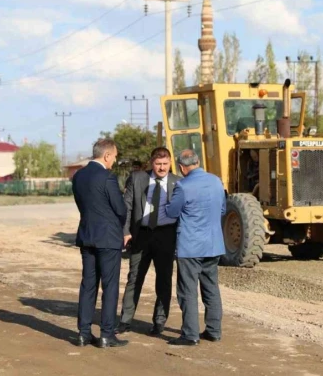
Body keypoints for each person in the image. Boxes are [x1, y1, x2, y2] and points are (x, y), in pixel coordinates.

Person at [116, 147, 180, 336]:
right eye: (158, 164)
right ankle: (125, 321)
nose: (162, 168)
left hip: (166, 235)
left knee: (164, 280)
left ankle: (159, 322)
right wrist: (125, 231)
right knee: (134, 278)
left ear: (170, 163)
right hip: (141, 234)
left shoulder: (178, 183)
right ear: (151, 163)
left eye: (165, 164)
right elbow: (126, 208)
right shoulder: (137, 178)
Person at [71, 138, 128, 348]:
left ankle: (83, 333)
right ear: (106, 155)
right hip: (108, 238)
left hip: (87, 235)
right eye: (114, 156)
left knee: (88, 285)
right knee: (110, 286)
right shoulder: (107, 177)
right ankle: (106, 334)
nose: (114, 160)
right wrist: (119, 225)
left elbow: (82, 205)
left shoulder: (78, 176)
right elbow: (120, 209)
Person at [165, 149, 226, 346]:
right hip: (214, 244)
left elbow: (172, 212)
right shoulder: (216, 181)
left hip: (191, 246)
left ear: (182, 168)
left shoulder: (183, 186)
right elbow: (223, 209)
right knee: (211, 289)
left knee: (187, 291)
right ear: (198, 161)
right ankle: (214, 331)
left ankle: (190, 334)